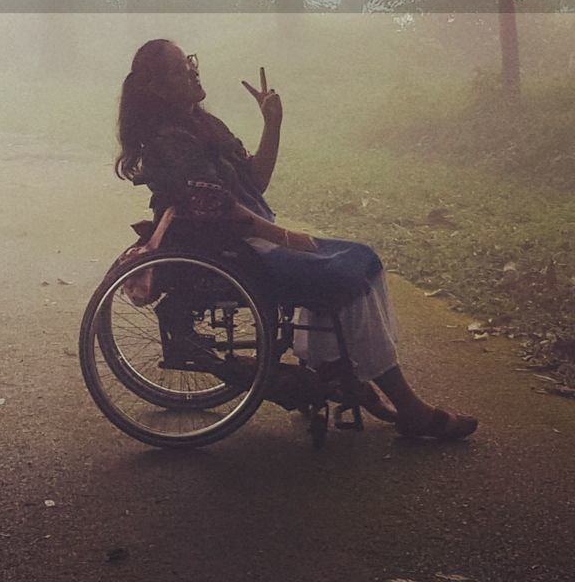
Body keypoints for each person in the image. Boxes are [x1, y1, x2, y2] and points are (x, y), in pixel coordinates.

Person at [115, 38, 478, 441]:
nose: (194, 72)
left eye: (191, 63)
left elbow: (256, 181)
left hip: (250, 240)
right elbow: (214, 205)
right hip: (236, 250)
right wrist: (283, 236)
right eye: (181, 70)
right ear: (159, 89)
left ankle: (331, 369)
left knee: (363, 260)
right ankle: (409, 407)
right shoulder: (171, 139)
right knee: (345, 277)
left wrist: (273, 123)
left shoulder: (203, 125)